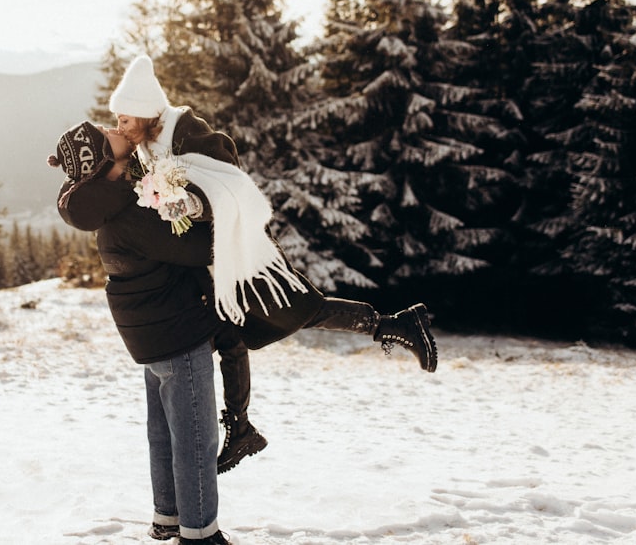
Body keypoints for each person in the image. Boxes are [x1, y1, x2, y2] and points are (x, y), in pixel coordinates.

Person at [108, 55, 438, 471]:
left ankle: (396, 324)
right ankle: (241, 428)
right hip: (211, 264)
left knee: (305, 309)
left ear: (143, 112)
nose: (121, 128)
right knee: (228, 336)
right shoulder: (147, 148)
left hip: (242, 250)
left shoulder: (186, 130)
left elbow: (229, 175)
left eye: (124, 119)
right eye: (117, 122)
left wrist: (193, 201)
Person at [49, 121, 229, 545]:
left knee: (164, 432)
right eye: (107, 132)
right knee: (196, 439)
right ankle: (200, 534)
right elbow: (199, 248)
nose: (117, 127)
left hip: (151, 334)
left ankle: (167, 517)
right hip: (175, 332)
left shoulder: (112, 204)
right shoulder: (130, 212)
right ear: (103, 160)